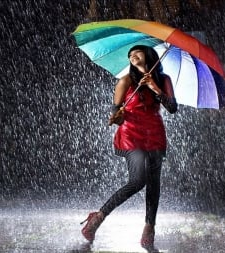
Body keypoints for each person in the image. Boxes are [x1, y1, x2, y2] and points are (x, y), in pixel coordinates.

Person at [80, 45, 178, 249]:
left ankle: (149, 231)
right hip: (131, 136)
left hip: (155, 135)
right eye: (130, 55)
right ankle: (97, 218)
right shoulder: (125, 81)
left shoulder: (163, 79)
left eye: (137, 53)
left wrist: (154, 88)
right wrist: (117, 115)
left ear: (149, 56)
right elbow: (115, 113)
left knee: (154, 183)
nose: (132, 57)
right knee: (138, 180)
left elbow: (172, 108)